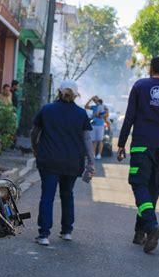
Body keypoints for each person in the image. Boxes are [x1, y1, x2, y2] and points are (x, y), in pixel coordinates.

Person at [117, 55, 159, 253]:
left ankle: (152, 226)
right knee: (153, 187)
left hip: (142, 145)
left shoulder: (139, 86)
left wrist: (121, 144)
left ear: (150, 68)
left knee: (139, 184)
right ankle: (141, 233)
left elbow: (130, 116)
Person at [31, 80, 95, 246]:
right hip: (73, 162)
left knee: (47, 196)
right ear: (76, 95)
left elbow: (35, 132)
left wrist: (35, 148)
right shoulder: (81, 114)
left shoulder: (47, 109)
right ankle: (67, 231)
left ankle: (44, 235)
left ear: (59, 92)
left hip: (49, 160)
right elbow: (87, 139)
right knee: (67, 194)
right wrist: (91, 161)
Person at [85, 96, 106, 160]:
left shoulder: (103, 106)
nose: (95, 101)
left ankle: (99, 154)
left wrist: (99, 115)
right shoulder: (93, 107)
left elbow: (104, 115)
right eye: (94, 100)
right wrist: (90, 99)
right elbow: (86, 106)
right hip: (93, 125)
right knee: (93, 140)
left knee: (100, 140)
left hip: (100, 125)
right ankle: (93, 154)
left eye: (96, 99)